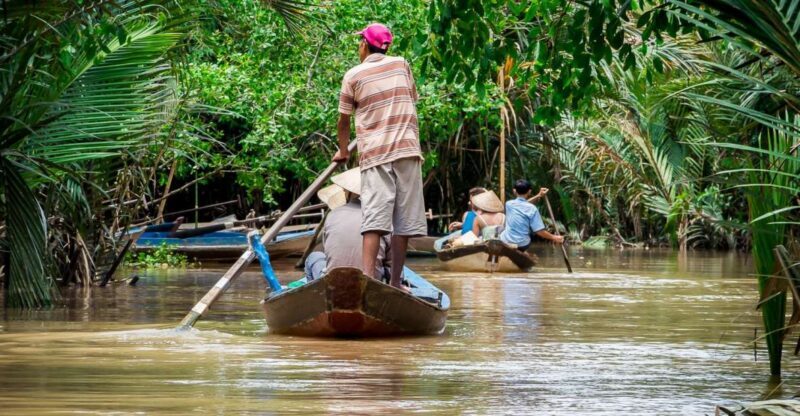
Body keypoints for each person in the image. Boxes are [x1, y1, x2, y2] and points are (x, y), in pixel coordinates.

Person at [332, 23, 426, 289]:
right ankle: (395, 282)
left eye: (359, 43)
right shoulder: (401, 64)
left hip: (376, 153)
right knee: (403, 221)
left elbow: (343, 122)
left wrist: (342, 151)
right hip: (407, 149)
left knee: (373, 220)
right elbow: (410, 98)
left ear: (364, 44)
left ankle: (367, 281)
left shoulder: (353, 75)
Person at [304, 168, 391, 281]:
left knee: (314, 257)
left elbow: (329, 252)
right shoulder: (382, 216)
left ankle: (318, 296)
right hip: (371, 282)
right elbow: (391, 264)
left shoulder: (333, 215)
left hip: (335, 281)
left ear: (348, 192)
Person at [499, 179, 564, 251]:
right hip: (523, 244)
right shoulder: (533, 209)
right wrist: (554, 237)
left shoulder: (509, 204)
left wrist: (539, 195)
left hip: (506, 241)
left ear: (514, 191)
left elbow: (521, 204)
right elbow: (539, 231)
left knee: (498, 229)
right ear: (529, 191)